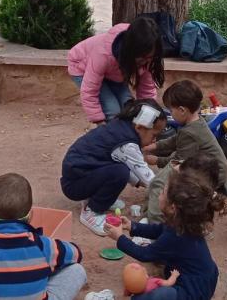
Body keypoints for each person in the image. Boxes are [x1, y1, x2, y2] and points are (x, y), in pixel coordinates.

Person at [105, 170, 225, 300]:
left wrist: (119, 238)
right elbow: (158, 230)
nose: (159, 196)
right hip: (203, 277)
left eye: (162, 192)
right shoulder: (184, 222)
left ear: (173, 207)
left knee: (159, 295)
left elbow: (144, 254)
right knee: (168, 269)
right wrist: (132, 226)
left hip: (194, 291)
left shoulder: (176, 236)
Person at [61, 99, 166, 235]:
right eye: (154, 135)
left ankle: (100, 197)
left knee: (119, 170)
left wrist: (137, 181)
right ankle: (92, 212)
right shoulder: (127, 144)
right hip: (75, 185)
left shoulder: (121, 128)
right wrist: (167, 191)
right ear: (140, 127)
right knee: (119, 173)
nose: (154, 140)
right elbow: (148, 177)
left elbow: (125, 163)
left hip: (80, 175)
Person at [143, 80, 227, 223]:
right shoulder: (194, 122)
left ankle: (156, 221)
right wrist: (154, 147)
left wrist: (157, 161)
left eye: (171, 110)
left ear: (182, 110)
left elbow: (179, 161)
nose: (171, 114)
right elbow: (176, 140)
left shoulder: (190, 132)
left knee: (162, 183)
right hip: (214, 166)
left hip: (212, 172)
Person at [67, 17, 165, 124]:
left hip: (113, 73)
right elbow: (89, 90)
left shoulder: (147, 56)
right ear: (131, 50)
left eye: (150, 57)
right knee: (112, 111)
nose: (146, 61)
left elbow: (147, 90)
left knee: (128, 108)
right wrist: (98, 120)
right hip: (82, 66)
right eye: (143, 57)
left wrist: (147, 117)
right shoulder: (103, 55)